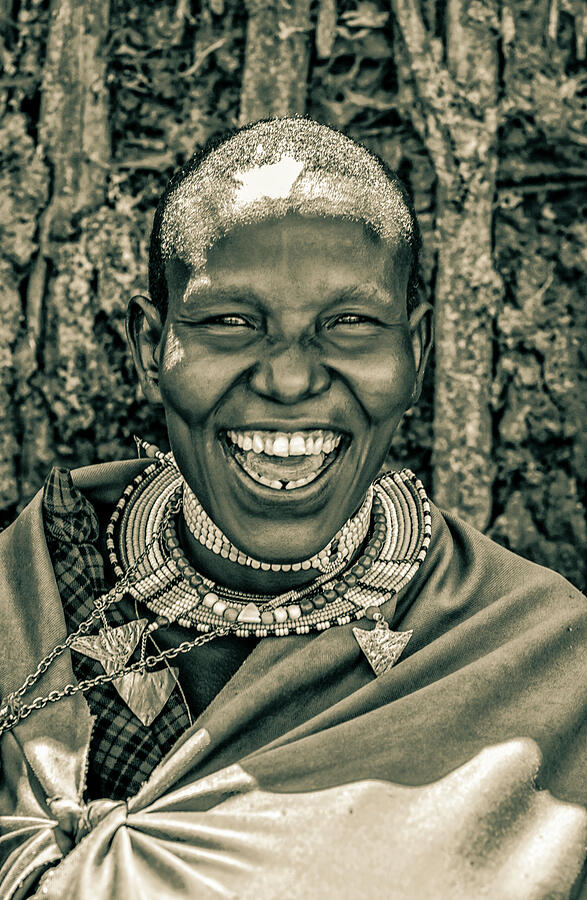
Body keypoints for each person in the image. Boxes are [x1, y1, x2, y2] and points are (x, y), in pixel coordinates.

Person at [0, 117, 585, 899]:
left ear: (416, 352)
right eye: (231, 322)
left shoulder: (542, 661)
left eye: (347, 324)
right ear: (151, 346)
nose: (287, 379)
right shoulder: (31, 587)